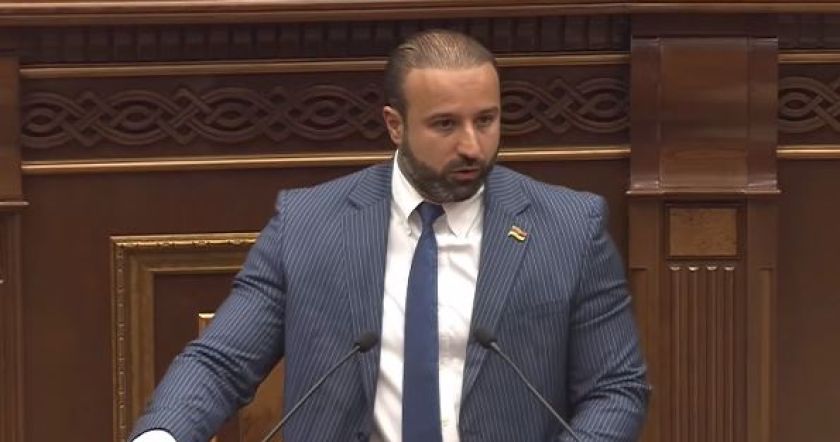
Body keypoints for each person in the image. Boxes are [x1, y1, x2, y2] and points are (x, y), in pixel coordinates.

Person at [130, 29, 649, 442]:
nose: (472, 146)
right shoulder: (308, 224)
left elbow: (615, 388)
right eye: (445, 125)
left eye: (486, 120)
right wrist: (162, 435)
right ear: (395, 126)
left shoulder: (568, 228)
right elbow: (221, 362)